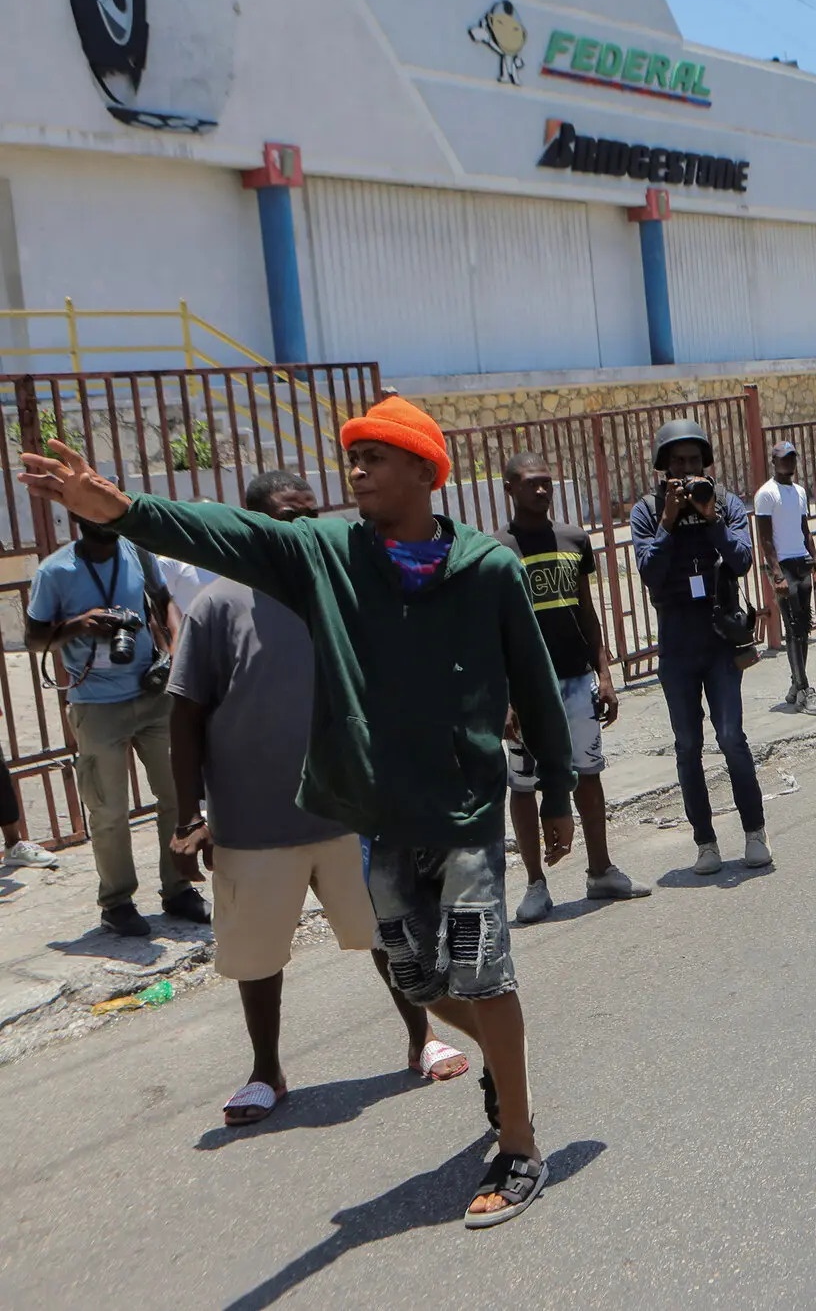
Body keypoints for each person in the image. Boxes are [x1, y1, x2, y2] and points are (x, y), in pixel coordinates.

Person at [19, 395, 574, 1228]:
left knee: (480, 968)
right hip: (379, 816)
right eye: (350, 458)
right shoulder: (328, 553)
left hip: (462, 817)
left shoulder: (488, 568)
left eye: (374, 458)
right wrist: (126, 511)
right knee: (419, 978)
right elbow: (225, 533)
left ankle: (521, 1144)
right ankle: (507, 1057)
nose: (355, 472)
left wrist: (557, 793)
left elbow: (534, 684)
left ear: (425, 470)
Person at [168, 469, 471, 1126]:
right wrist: (189, 815)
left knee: (388, 935)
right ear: (253, 525)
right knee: (258, 957)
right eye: (287, 516)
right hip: (252, 825)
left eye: (312, 513)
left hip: (350, 814)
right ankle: (265, 1070)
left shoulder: (342, 596)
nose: (305, 527)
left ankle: (422, 1039)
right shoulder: (219, 607)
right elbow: (185, 717)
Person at [26, 514, 202, 937]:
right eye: (90, 509)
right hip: (97, 703)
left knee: (176, 797)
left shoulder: (136, 552)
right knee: (108, 810)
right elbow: (33, 639)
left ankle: (178, 889)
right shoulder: (55, 570)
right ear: (75, 516)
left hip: (152, 691)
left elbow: (165, 604)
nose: (101, 517)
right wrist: (79, 625)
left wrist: (177, 649)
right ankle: (118, 902)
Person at [497, 453, 649, 923]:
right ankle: (535, 885)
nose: (542, 491)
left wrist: (604, 674)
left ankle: (600, 871)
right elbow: (492, 629)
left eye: (547, 483)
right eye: (531, 484)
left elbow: (587, 610)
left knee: (588, 772)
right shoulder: (497, 550)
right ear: (510, 488)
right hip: (525, 691)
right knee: (524, 786)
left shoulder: (574, 539)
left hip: (576, 679)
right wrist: (504, 698)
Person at [630, 419, 772, 875]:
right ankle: (706, 844)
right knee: (687, 745)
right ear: (662, 468)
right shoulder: (648, 511)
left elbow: (742, 559)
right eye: (678, 463)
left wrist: (710, 518)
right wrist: (669, 521)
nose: (687, 472)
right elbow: (649, 572)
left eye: (694, 462)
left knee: (731, 737)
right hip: (676, 643)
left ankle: (755, 834)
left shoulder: (725, 502)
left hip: (718, 638)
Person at [755, 440, 816, 715]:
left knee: (804, 628)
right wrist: (776, 575)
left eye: (793, 458)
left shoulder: (799, 492)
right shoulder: (766, 494)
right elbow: (764, 538)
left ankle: (796, 685)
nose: (790, 463)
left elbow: (805, 530)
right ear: (774, 462)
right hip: (783, 566)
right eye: (784, 459)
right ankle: (804, 690)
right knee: (793, 628)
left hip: (802, 564)